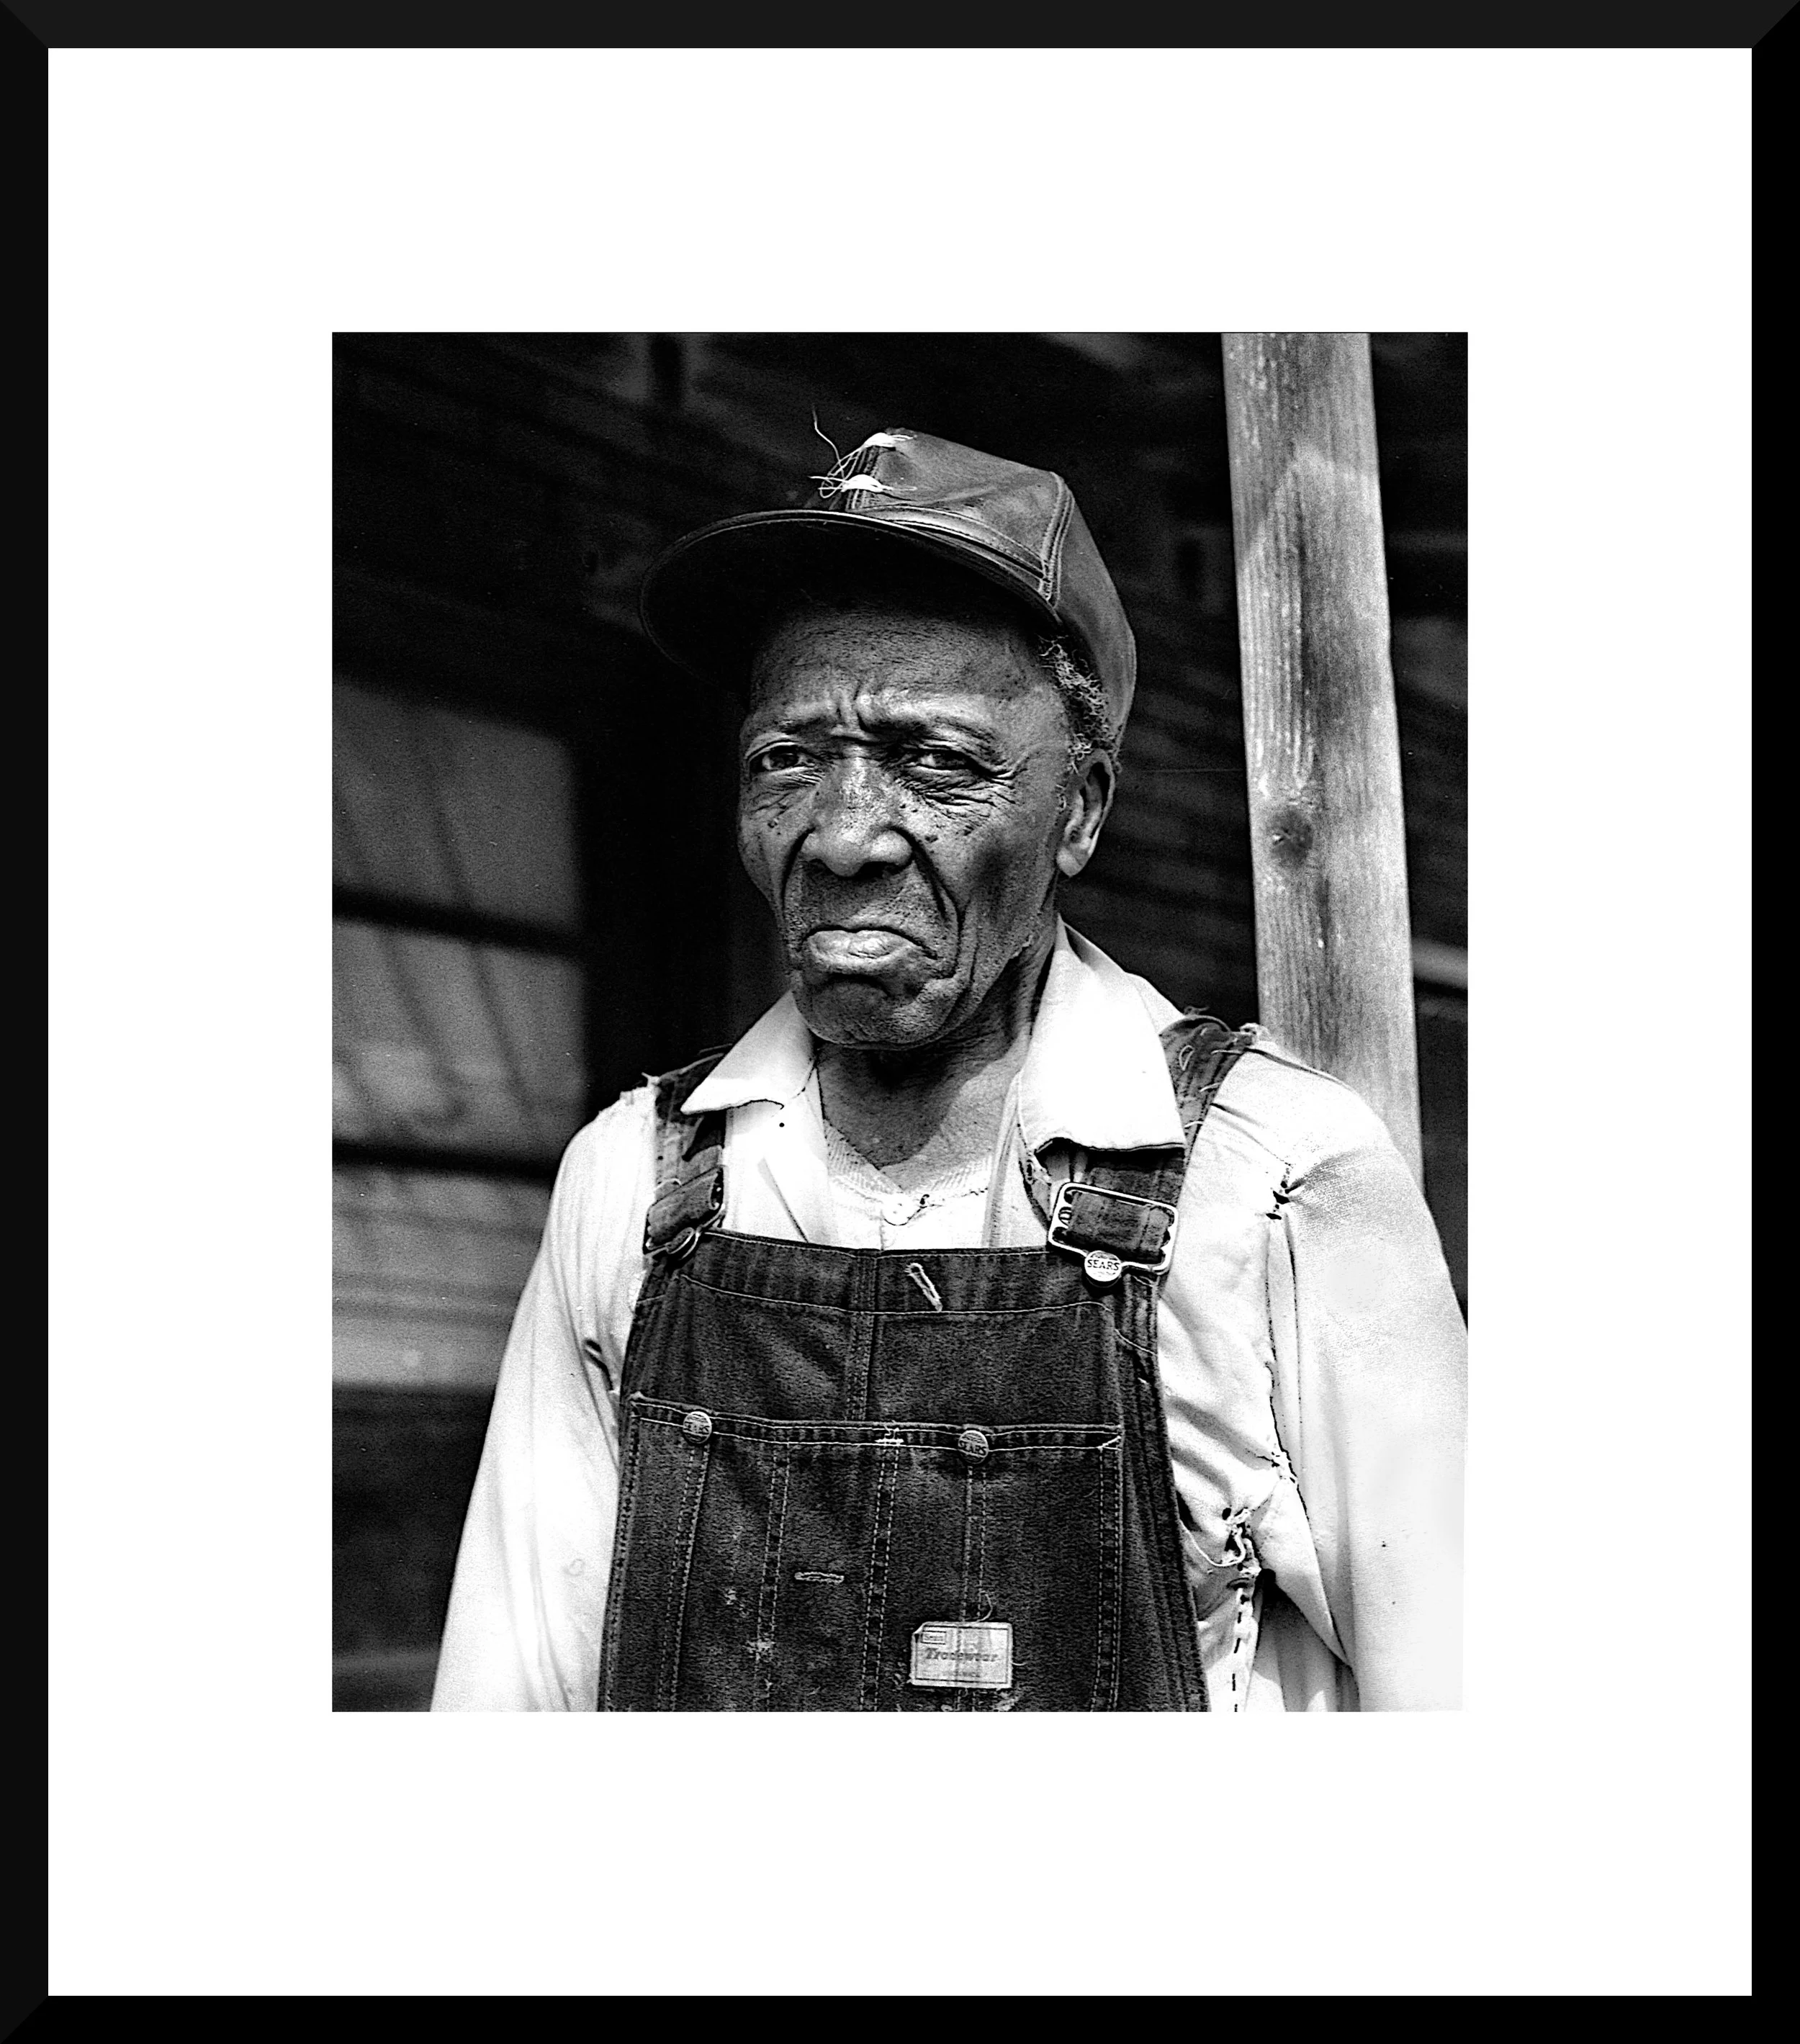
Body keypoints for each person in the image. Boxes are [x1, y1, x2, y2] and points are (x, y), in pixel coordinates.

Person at [431, 426, 1467, 1713]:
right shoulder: (633, 1188)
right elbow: (508, 1706)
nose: (846, 832)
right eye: (787, 758)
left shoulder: (1273, 1186)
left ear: (1079, 809)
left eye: (938, 761)